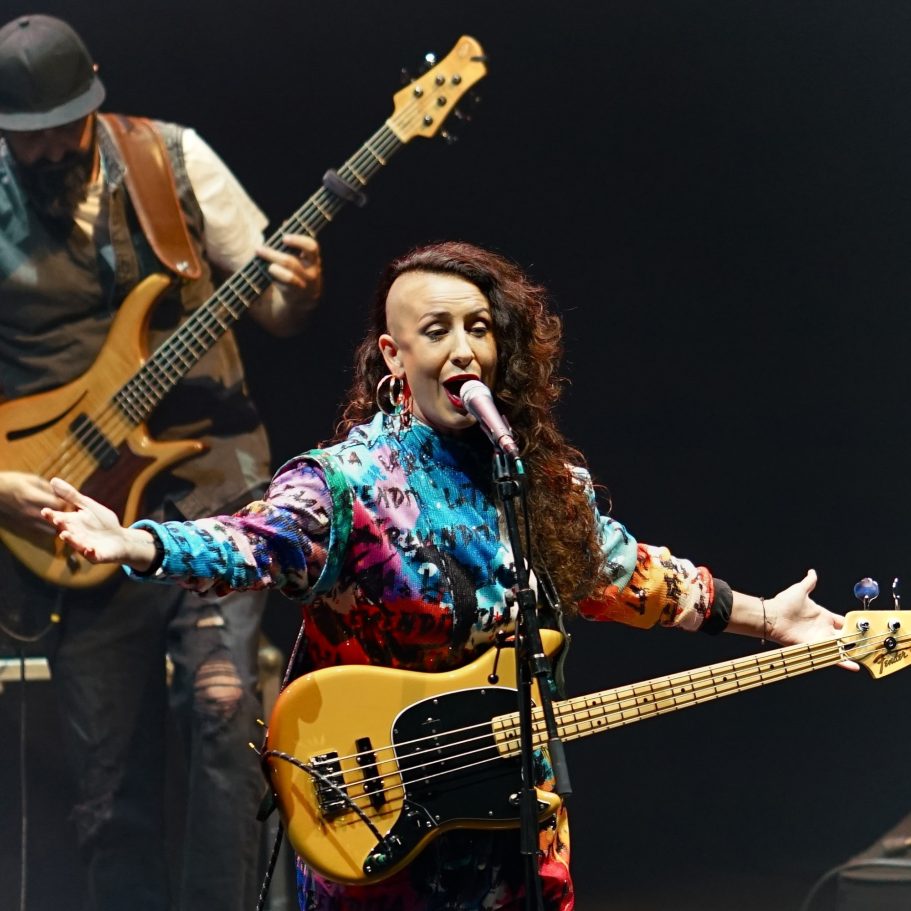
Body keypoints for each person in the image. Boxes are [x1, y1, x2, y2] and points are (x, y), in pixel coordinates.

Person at [42, 240, 850, 911]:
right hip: (382, 832)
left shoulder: (534, 482)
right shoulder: (348, 482)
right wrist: (137, 543)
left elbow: (631, 575)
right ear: (394, 356)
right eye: (436, 330)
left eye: (478, 327)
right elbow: (250, 543)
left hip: (515, 833)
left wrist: (765, 617)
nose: (463, 349)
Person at [0, 13, 323, 911]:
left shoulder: (171, 158)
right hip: (65, 502)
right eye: (26, 137)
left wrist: (300, 295)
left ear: (94, 93)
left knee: (222, 712)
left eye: (64, 127)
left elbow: (274, 308)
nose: (48, 150)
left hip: (210, 486)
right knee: (110, 782)